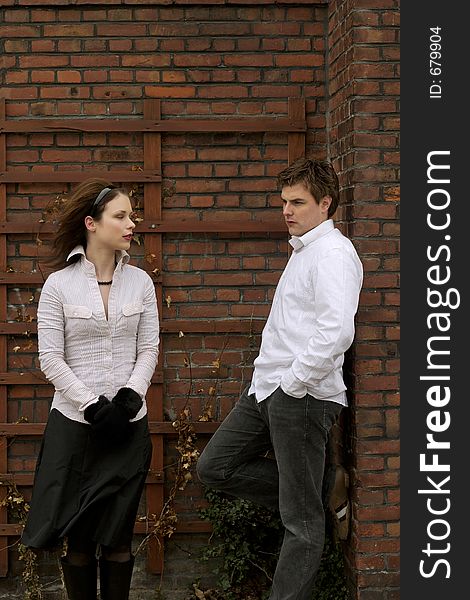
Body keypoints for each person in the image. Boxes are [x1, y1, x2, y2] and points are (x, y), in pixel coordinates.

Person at [197, 157, 363, 600]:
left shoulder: (332, 254)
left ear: (325, 203)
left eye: (298, 202)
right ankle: (325, 487)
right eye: (284, 202)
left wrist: (293, 382)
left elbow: (337, 330)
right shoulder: (304, 249)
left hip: (301, 395)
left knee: (302, 522)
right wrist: (275, 383)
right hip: (267, 390)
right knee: (214, 467)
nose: (287, 211)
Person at [21, 178, 159, 600]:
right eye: (121, 216)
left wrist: (128, 400)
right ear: (92, 223)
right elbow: (51, 359)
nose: (131, 223)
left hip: (128, 430)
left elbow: (149, 348)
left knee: (118, 541)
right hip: (76, 429)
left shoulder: (141, 283)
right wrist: (94, 406)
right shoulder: (59, 286)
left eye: (130, 215)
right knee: (78, 544)